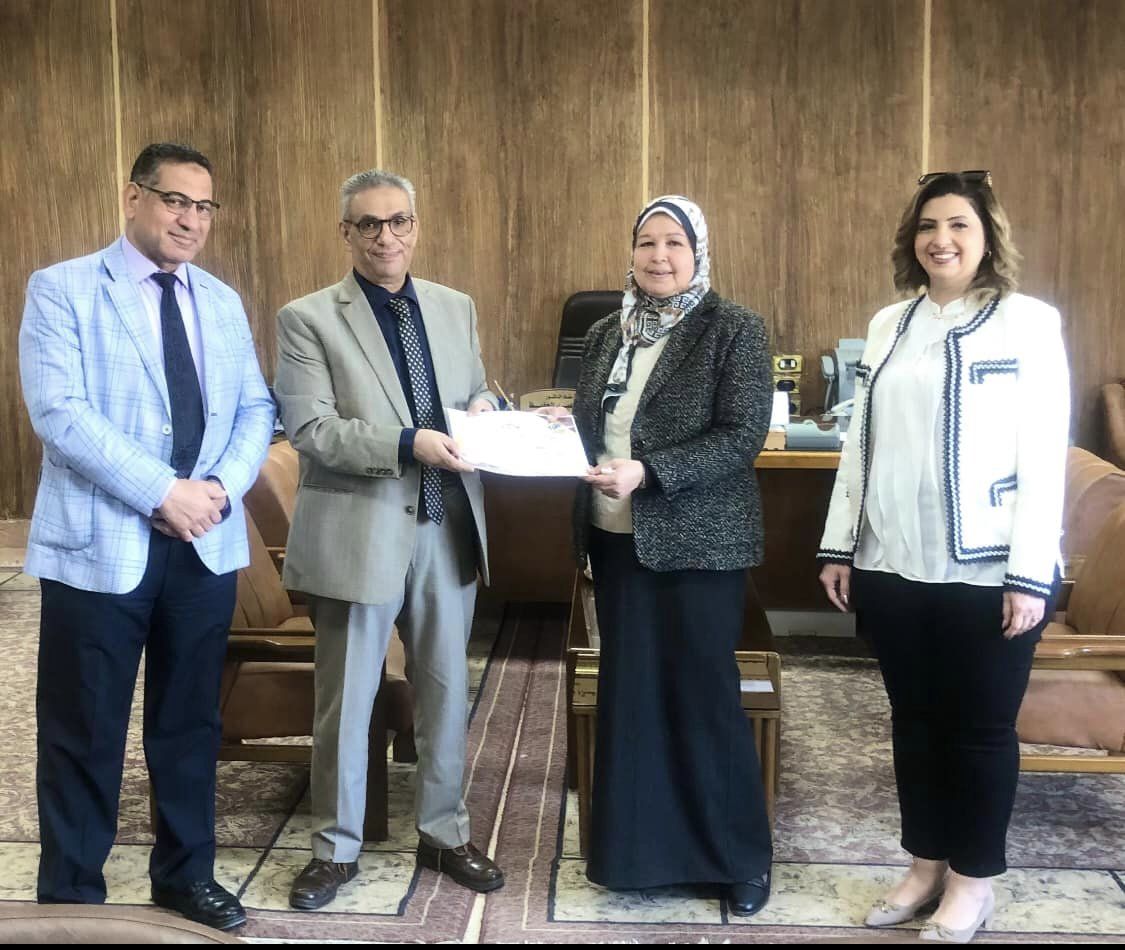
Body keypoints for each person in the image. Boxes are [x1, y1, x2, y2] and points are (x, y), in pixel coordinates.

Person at [19, 142, 275, 930]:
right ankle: (71, 894)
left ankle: (185, 876)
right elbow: (60, 413)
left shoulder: (222, 302)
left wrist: (217, 492)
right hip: (99, 546)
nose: (190, 220)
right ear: (134, 198)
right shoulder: (62, 289)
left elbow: (255, 409)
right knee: (84, 727)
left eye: (203, 207)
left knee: (190, 722)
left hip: (204, 542)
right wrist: (163, 491)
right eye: (175, 201)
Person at [817, 171, 1069, 943]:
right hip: (893, 563)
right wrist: (839, 543)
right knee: (914, 724)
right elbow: (858, 443)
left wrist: (1028, 573)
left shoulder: (1027, 322)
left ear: (986, 235)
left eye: (958, 224)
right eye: (928, 225)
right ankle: (923, 866)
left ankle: (972, 881)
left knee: (979, 730)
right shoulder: (889, 323)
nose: (941, 239)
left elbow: (1044, 453)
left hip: (988, 571)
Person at [274, 169, 504, 910]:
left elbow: (474, 391)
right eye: (369, 224)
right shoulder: (308, 318)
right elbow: (312, 430)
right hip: (359, 532)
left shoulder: (455, 306)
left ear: (415, 226)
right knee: (347, 701)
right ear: (346, 233)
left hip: (446, 527)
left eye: (398, 220)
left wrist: (488, 408)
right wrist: (410, 443)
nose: (386, 236)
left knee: (445, 690)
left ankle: (444, 832)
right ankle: (335, 849)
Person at [568, 195, 774, 916]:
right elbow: (601, 420)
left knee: (703, 698)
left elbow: (741, 435)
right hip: (616, 541)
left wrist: (650, 472)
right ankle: (639, 858)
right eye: (647, 242)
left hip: (699, 545)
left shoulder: (734, 328)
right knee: (632, 697)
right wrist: (559, 424)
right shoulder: (606, 331)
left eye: (674, 243)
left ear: (698, 254)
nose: (659, 256)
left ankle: (739, 860)